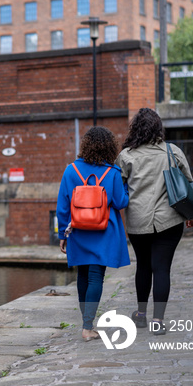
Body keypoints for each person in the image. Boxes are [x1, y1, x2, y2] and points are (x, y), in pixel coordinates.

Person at [115, 108, 193, 336]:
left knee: (142, 266)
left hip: (138, 221)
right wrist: (189, 215)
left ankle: (141, 315)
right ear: (158, 128)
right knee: (162, 268)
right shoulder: (173, 152)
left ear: (136, 129)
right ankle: (158, 320)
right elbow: (188, 184)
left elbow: (117, 190)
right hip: (169, 220)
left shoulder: (126, 156)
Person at [57, 126, 130, 342]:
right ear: (110, 147)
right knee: (96, 276)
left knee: (82, 275)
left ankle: (86, 323)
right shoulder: (113, 173)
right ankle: (87, 328)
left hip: (79, 231)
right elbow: (120, 202)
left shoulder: (70, 171)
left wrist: (63, 234)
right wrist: (125, 187)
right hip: (103, 231)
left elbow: (63, 205)